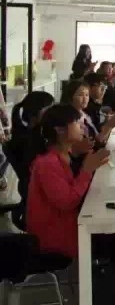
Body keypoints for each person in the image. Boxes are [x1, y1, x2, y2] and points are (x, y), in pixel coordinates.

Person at [27, 104, 111, 258]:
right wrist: (86, 170)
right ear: (60, 130)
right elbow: (67, 202)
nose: (83, 127)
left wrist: (83, 156)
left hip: (71, 225)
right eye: (78, 123)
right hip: (57, 238)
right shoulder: (47, 164)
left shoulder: (64, 155)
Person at [5, 91, 55, 230]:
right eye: (50, 108)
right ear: (37, 111)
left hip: (30, 190)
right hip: (39, 193)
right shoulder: (34, 140)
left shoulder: (26, 133)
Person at [61, 80, 115, 146]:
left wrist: (111, 123)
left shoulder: (84, 113)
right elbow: (94, 144)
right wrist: (109, 125)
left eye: (87, 95)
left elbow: (98, 138)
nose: (85, 98)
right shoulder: (70, 119)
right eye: (80, 95)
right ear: (70, 97)